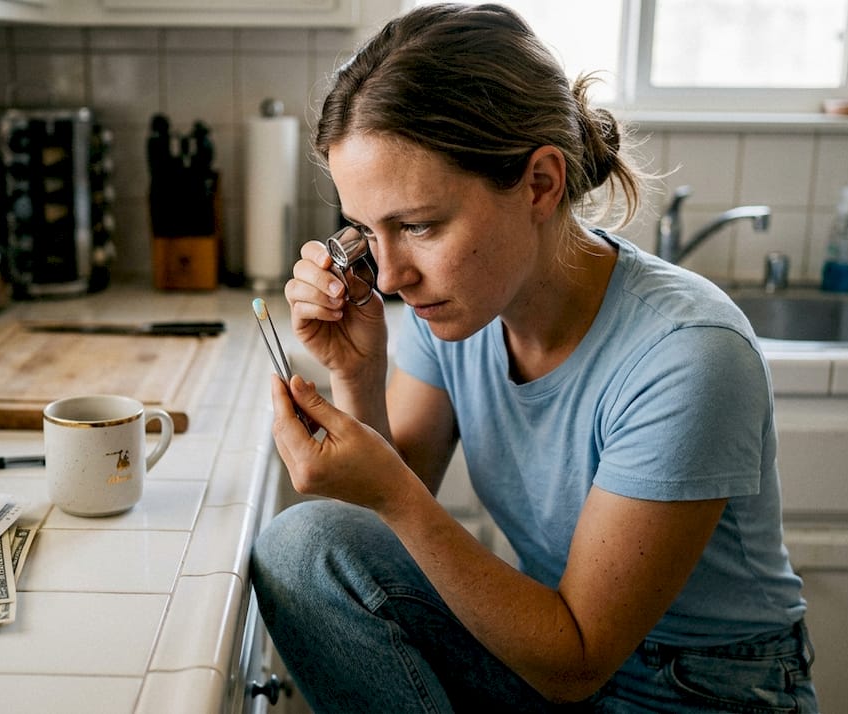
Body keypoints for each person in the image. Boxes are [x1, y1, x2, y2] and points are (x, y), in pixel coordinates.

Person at [250, 3, 818, 713]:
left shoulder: (689, 355)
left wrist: (391, 490)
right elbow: (378, 523)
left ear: (541, 184)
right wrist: (355, 375)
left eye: (419, 226)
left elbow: (577, 659)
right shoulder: (454, 307)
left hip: (695, 695)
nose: (390, 276)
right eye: (367, 230)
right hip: (543, 660)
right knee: (304, 546)